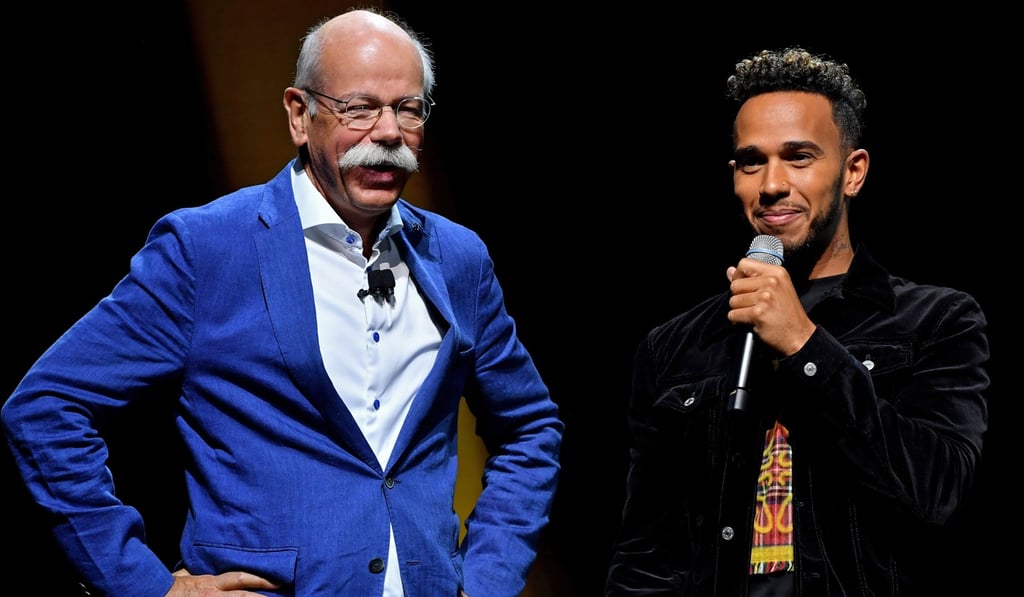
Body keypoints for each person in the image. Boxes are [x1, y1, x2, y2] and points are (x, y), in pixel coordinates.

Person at [1, 8, 562, 597]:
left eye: (408, 109)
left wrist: (489, 577)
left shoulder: (458, 258)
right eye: (360, 108)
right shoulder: (208, 249)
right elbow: (46, 407)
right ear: (300, 115)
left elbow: (530, 427)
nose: (390, 132)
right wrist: (143, 585)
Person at [604, 47, 989, 596]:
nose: (771, 185)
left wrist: (805, 346)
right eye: (751, 161)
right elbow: (646, 552)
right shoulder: (674, 347)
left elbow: (937, 492)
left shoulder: (936, 321)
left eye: (799, 157)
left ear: (853, 172)